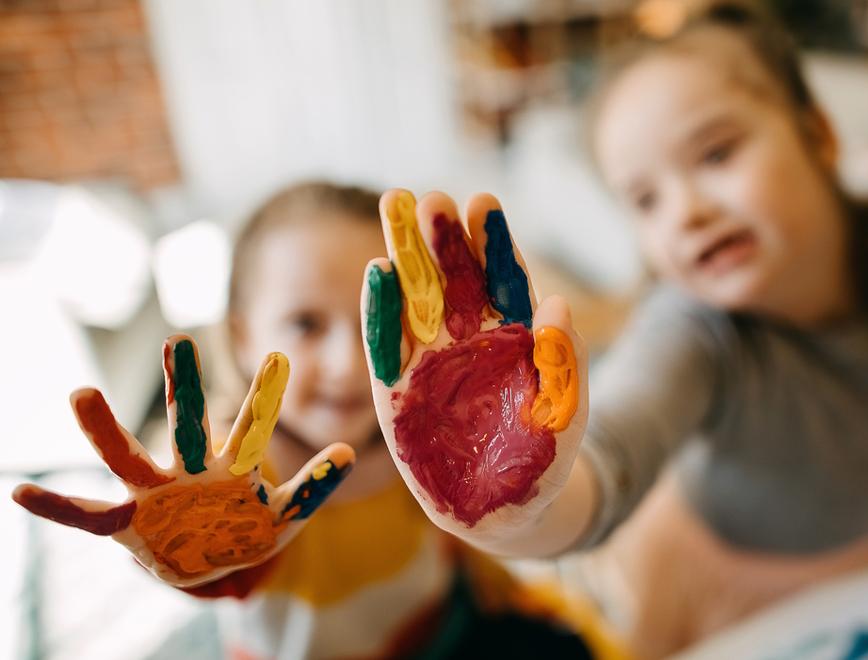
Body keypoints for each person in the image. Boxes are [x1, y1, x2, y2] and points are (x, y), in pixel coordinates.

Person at [359, 4, 868, 658]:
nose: (686, 211)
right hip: (728, 583)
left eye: (716, 154)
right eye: (646, 198)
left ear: (817, 132)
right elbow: (611, 454)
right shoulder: (693, 331)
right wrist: (522, 512)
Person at [15, 182, 619, 660]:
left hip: (443, 635)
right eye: (306, 323)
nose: (347, 362)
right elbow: (219, 565)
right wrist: (195, 556)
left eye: (375, 320)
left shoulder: (432, 439)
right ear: (242, 336)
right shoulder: (241, 471)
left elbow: (459, 543)